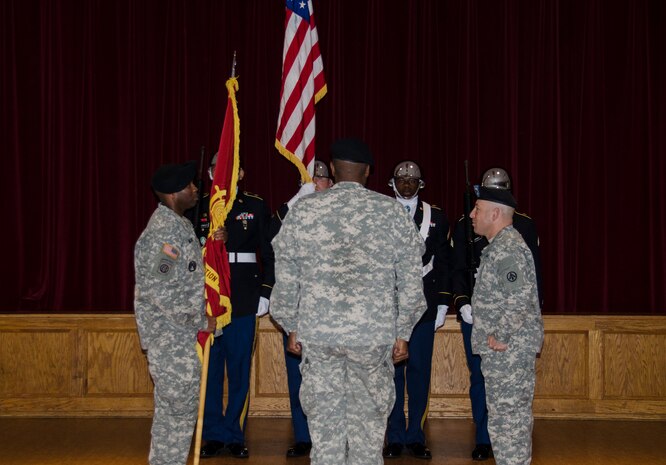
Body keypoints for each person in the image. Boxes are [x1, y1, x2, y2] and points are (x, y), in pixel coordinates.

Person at [270, 138, 427, 465]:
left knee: (325, 433)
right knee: (367, 434)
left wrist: (291, 326)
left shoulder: (305, 210)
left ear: (335, 170)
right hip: (372, 338)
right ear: (368, 172)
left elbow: (285, 272)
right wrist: (404, 332)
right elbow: (412, 280)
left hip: (320, 336)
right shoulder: (390, 212)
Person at [451, 168, 543, 461]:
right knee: (503, 427)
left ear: (494, 214)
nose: (473, 216)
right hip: (503, 355)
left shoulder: (508, 250)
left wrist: (499, 336)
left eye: (478, 209)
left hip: (509, 354)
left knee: (510, 428)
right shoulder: (500, 247)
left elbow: (519, 300)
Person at [134, 161, 217, 465]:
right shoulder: (165, 235)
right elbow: (163, 292)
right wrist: (200, 320)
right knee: (176, 419)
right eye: (190, 185)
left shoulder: (180, 225)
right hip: (171, 342)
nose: (196, 190)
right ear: (171, 194)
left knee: (176, 418)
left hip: (179, 341)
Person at [199, 156, 275, 459]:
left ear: (241, 173)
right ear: (209, 172)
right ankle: (213, 434)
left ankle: (234, 433)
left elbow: (268, 252)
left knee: (240, 369)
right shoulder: (197, 206)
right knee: (211, 371)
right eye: (218, 167)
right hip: (208, 301)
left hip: (243, 296)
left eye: (231, 167)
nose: (224, 172)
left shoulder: (254, 205)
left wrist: (266, 291)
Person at [383, 161, 452, 460]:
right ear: (392, 182)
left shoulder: (435, 216)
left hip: (423, 306)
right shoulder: (381, 213)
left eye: (413, 180)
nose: (407, 184)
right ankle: (395, 436)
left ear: (421, 184)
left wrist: (442, 304)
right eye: (402, 179)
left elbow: (446, 262)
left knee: (420, 372)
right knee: (392, 374)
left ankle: (416, 436)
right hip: (388, 306)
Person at [268, 160, 333, 458]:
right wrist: (296, 201)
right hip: (299, 310)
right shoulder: (293, 214)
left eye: (320, 178)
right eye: (311, 178)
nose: (315, 182)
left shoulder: (338, 213)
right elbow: (271, 234)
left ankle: (328, 435)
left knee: (331, 380)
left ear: (331, 183)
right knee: (299, 377)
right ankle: (303, 436)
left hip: (332, 313)